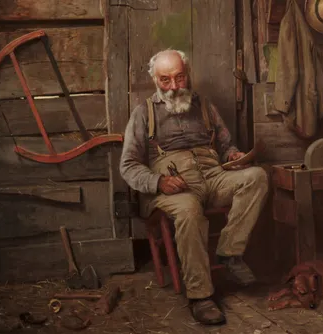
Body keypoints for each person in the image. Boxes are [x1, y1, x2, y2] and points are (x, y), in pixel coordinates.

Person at [120, 49, 269, 325]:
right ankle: (200, 296)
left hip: (213, 175)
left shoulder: (204, 106)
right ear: (155, 80)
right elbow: (128, 165)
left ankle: (229, 253)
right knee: (189, 210)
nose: (175, 87)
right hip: (174, 187)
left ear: (187, 74)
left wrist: (233, 156)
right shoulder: (143, 113)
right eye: (166, 80)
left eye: (180, 78)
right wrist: (158, 182)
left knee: (256, 176)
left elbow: (225, 145)